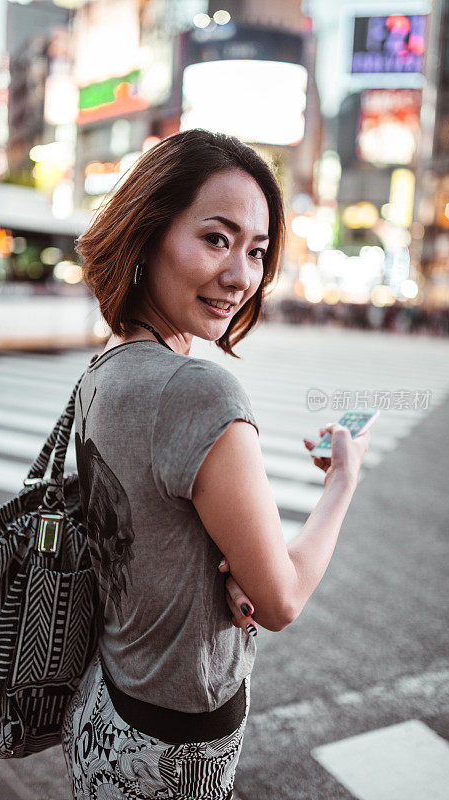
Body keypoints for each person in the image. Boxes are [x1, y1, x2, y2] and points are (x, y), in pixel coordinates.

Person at [61, 129, 371, 800]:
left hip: (104, 716)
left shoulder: (104, 371)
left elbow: (144, 531)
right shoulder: (197, 392)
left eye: (257, 251)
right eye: (217, 239)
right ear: (147, 234)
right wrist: (343, 481)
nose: (241, 276)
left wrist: (216, 575)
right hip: (173, 751)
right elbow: (281, 599)